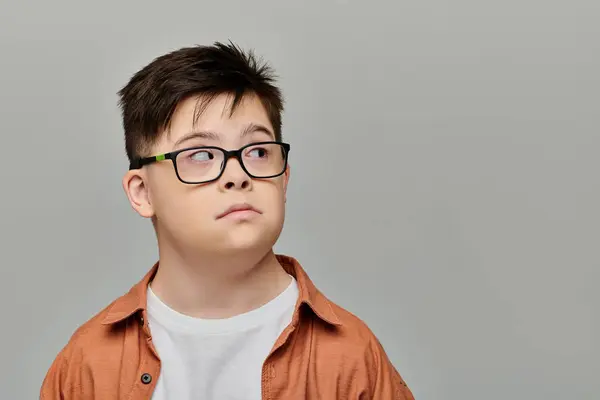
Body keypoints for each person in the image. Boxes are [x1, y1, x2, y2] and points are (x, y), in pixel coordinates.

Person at [40, 41, 415, 400]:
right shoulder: (87, 363)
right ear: (142, 192)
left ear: (284, 180)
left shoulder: (352, 356)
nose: (237, 175)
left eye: (257, 151)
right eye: (201, 155)